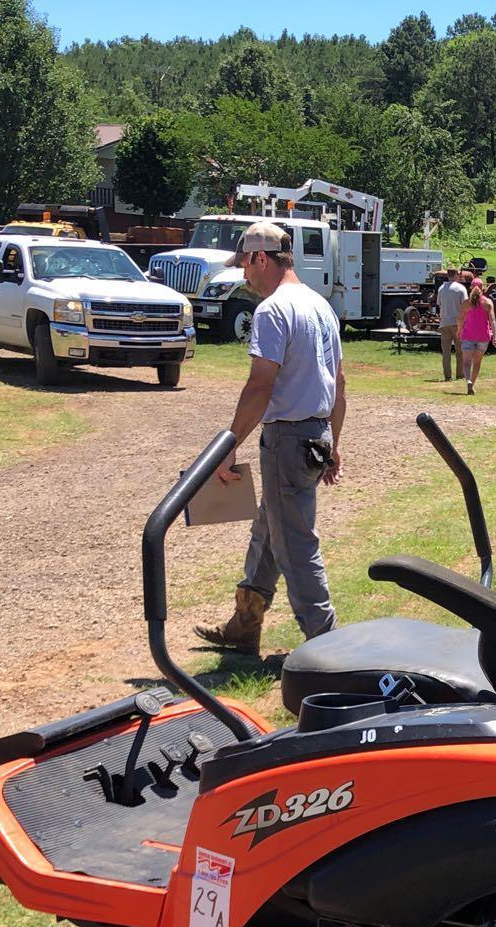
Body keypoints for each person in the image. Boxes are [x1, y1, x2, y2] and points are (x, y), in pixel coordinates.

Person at [194, 221, 346, 655]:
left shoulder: (273, 310)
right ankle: (245, 626)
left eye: (244, 262)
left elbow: (260, 385)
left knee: (295, 544)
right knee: (270, 530)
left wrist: (229, 446)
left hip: (286, 440)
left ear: (261, 258)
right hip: (313, 437)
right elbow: (339, 382)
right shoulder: (320, 307)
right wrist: (333, 443)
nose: (244, 274)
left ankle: (329, 648)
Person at [459, 275, 496, 395]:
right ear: (483, 288)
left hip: (468, 335)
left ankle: (468, 381)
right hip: (483, 337)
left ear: (471, 288)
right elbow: (492, 320)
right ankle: (473, 384)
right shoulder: (488, 303)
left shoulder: (466, 303)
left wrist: (459, 330)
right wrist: (495, 336)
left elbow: (460, 319)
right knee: (477, 363)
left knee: (466, 363)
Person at [435, 269, 469, 382]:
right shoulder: (461, 288)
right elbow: (465, 306)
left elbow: (439, 304)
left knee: (446, 352)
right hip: (457, 323)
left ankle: (447, 375)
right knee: (460, 351)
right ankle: (460, 374)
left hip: (444, 323)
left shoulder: (441, 289)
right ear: (455, 275)